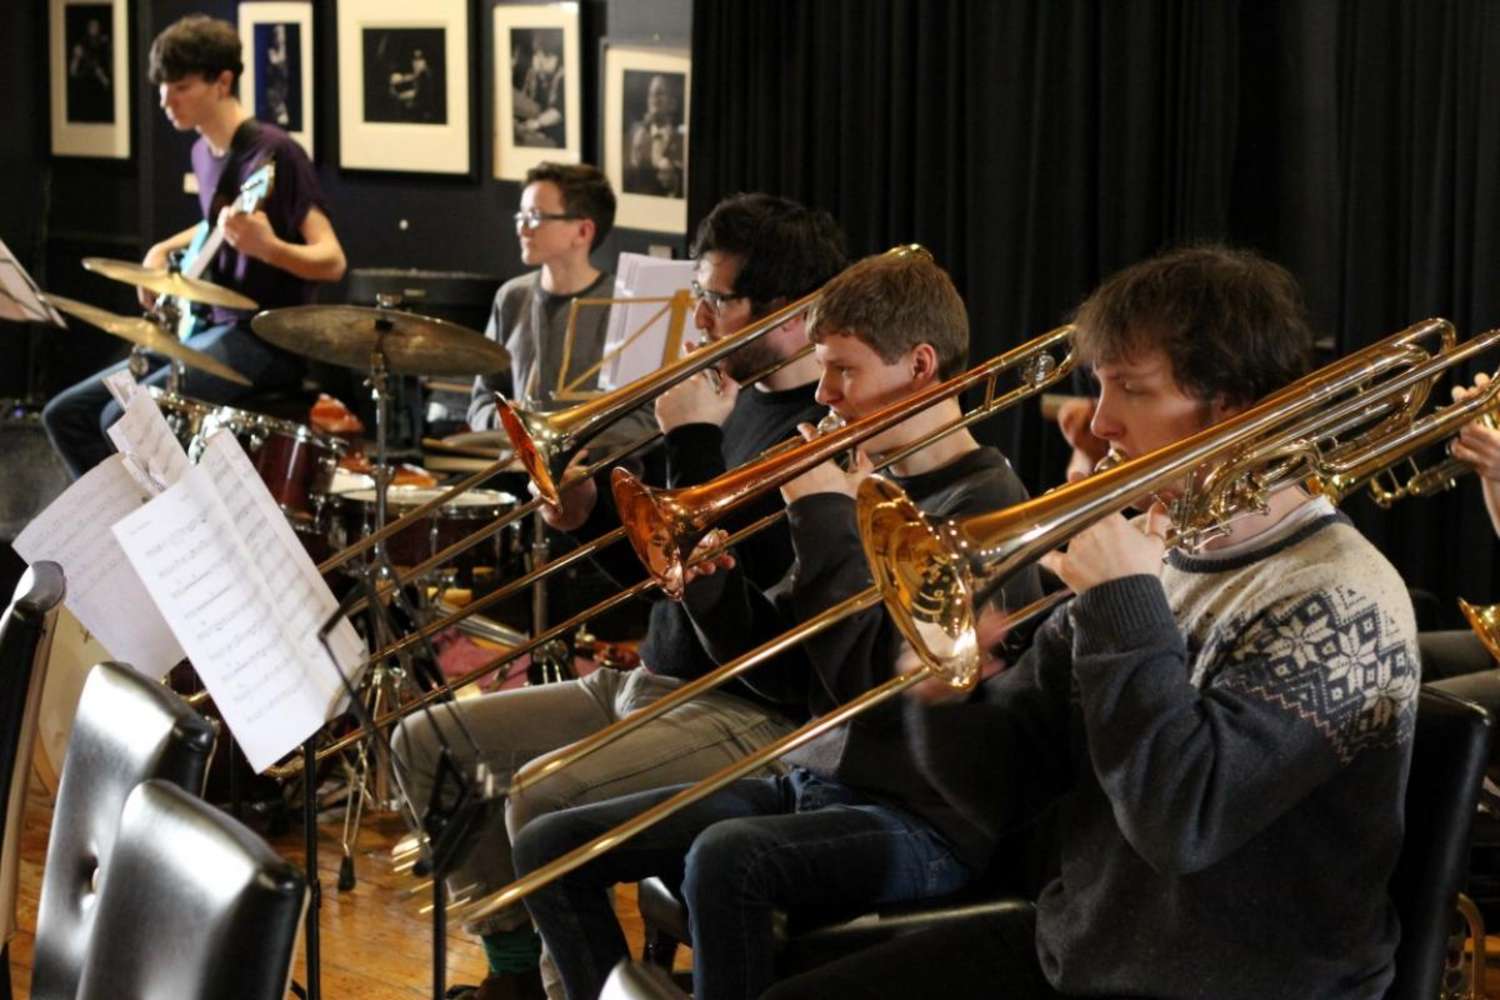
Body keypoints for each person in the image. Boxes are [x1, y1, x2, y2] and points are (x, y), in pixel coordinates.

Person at [762, 244, 1421, 1000]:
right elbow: (1005, 790)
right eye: (1101, 389)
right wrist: (946, 690)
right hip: (1084, 955)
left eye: (1131, 391)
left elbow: (1181, 822)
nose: (1101, 423)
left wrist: (1123, 603)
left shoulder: (1342, 597)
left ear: (1233, 407)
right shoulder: (1161, 555)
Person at [509, 249, 1044, 1000]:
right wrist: (712, 594)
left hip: (925, 820)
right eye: (821, 369)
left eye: (844, 371)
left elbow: (880, 692)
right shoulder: (869, 478)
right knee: (551, 844)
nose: (822, 395)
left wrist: (823, 515)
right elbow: (793, 675)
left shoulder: (985, 513)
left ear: (920, 366)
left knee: (727, 859)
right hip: (820, 784)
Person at [395, 193, 846, 1000]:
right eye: (699, 294)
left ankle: (583, 988)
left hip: (738, 707)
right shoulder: (727, 398)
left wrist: (692, 439)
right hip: (643, 679)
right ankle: (512, 981)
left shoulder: (817, 432)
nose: (698, 316)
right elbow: (659, 584)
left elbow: (732, 594)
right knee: (426, 740)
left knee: (539, 795)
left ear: (794, 310)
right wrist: (584, 519)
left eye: (716, 298)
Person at [42, 14, 345, 479]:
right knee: (65, 415)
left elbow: (331, 260)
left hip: (263, 338)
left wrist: (270, 250)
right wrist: (163, 248)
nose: (166, 100)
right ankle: (117, 536)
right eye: (162, 86)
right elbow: (216, 226)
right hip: (206, 331)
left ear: (222, 82)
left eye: (180, 86)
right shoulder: (204, 151)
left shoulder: (276, 153)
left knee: (120, 421)